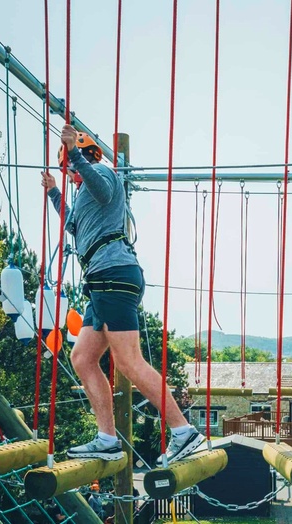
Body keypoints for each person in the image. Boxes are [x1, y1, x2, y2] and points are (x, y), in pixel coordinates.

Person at [41, 124, 205, 463]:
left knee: (129, 361)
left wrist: (72, 152)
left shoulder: (101, 174)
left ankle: (182, 431)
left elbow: (99, 186)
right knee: (82, 358)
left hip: (113, 274)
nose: (70, 177)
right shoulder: (84, 195)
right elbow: (73, 226)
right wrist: (54, 193)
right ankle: (107, 438)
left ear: (79, 159)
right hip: (100, 282)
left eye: (69, 170)